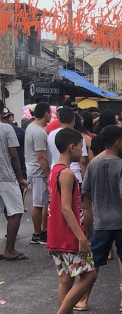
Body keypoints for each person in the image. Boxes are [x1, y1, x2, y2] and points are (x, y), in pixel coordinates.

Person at [43, 128, 97, 314]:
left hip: (57, 233)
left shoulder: (55, 170)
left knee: (66, 278)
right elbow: (67, 208)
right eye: (81, 147)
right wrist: (82, 237)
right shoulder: (66, 173)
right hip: (68, 234)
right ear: (71, 147)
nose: (82, 152)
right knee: (89, 275)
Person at [82, 125, 122, 312]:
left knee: (95, 261)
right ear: (117, 142)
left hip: (101, 221)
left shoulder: (94, 164)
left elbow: (85, 190)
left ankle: (83, 299)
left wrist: (98, 201)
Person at [0, 106, 28, 260]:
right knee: (16, 211)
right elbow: (14, 155)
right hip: (6, 176)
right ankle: (9, 249)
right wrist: (20, 178)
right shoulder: (7, 128)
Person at [24, 101, 52, 245]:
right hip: (39, 171)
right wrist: (48, 175)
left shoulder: (32, 127)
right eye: (50, 113)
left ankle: (41, 231)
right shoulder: (39, 132)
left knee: (41, 202)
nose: (51, 115)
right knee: (38, 203)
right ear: (46, 113)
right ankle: (37, 234)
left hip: (34, 169)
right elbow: (41, 156)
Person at [47, 106, 88, 184]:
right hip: (74, 173)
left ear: (58, 119)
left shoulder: (51, 134)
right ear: (74, 120)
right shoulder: (78, 136)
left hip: (55, 172)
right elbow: (82, 160)